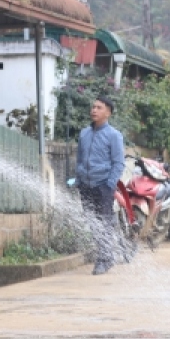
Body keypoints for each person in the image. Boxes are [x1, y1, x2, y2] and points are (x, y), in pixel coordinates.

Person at [75, 96, 125, 275]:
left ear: (108, 113)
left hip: (103, 185)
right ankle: (106, 254)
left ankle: (104, 258)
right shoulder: (84, 134)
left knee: (103, 222)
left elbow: (118, 163)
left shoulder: (114, 135)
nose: (94, 110)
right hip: (85, 185)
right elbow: (80, 159)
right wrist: (78, 179)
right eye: (93, 107)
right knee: (92, 222)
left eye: (99, 107)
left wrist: (110, 184)